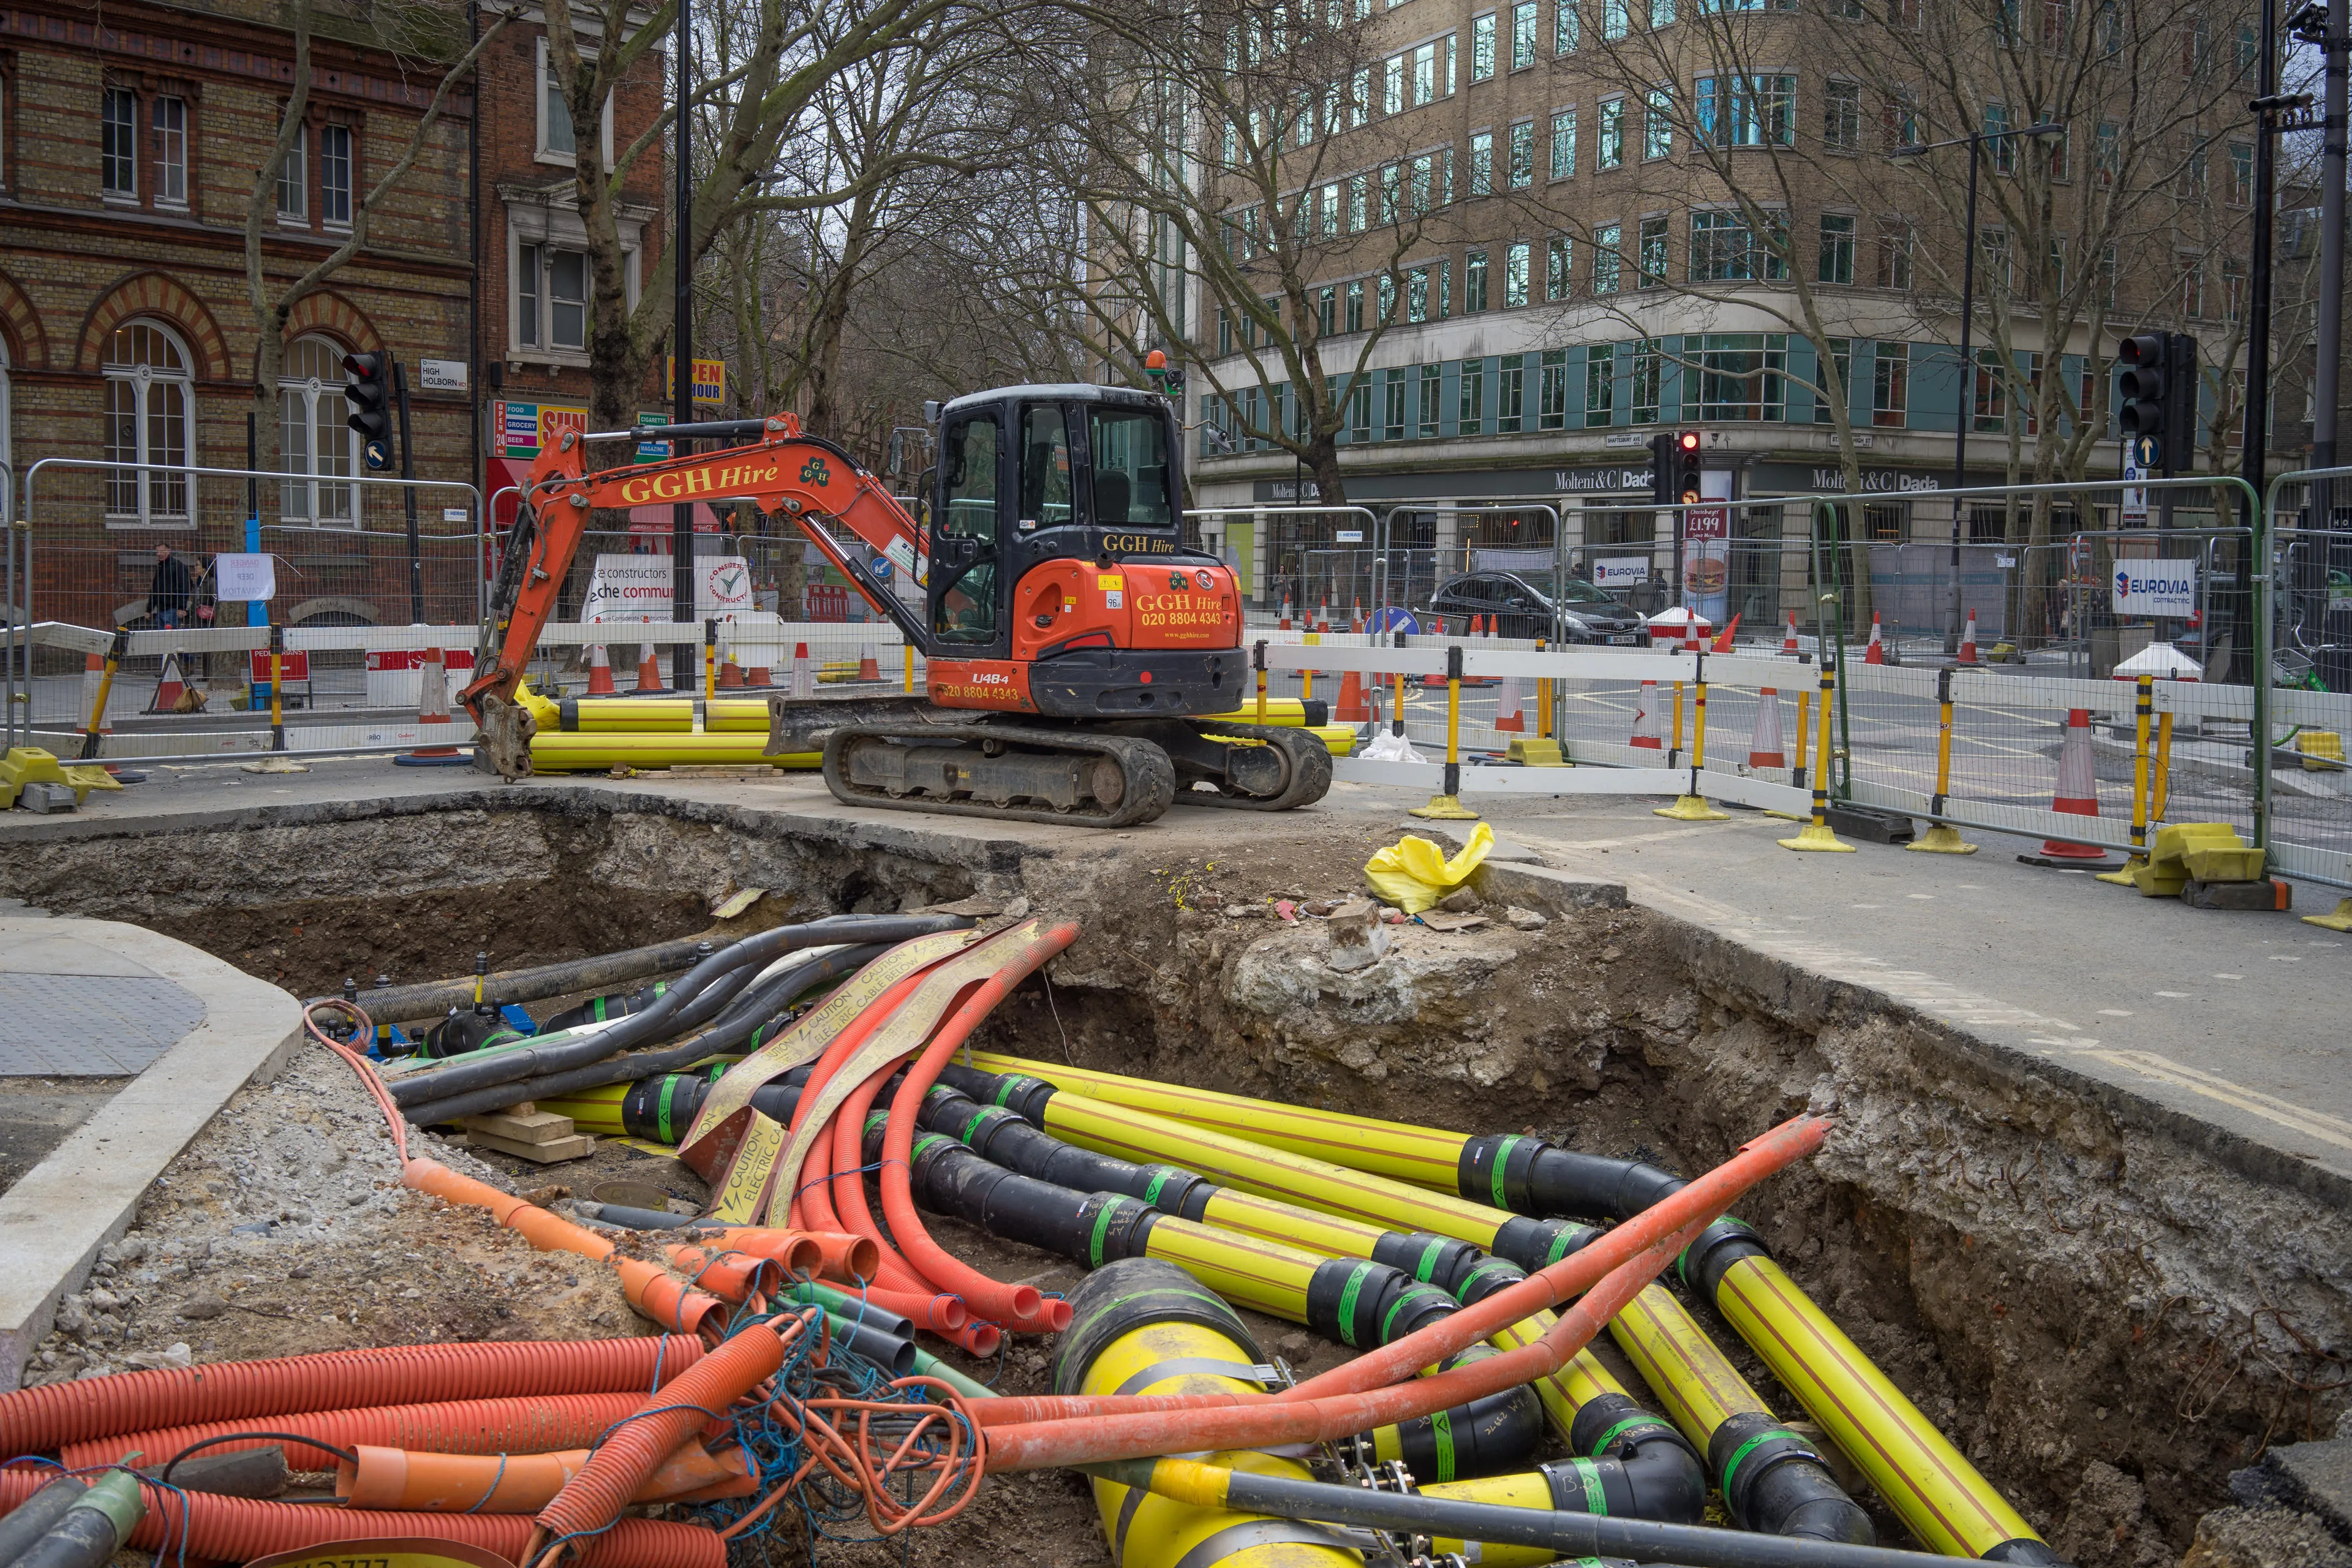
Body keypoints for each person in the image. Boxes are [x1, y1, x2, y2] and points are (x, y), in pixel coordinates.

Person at [146, 543, 194, 629]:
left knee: (170, 638)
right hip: (160, 609)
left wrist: (181, 607)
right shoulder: (161, 567)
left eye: (161, 551)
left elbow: (184, 587)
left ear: (168, 551)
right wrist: (149, 609)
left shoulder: (177, 566)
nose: (159, 554)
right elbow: (155, 589)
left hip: (172, 609)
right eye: (157, 552)